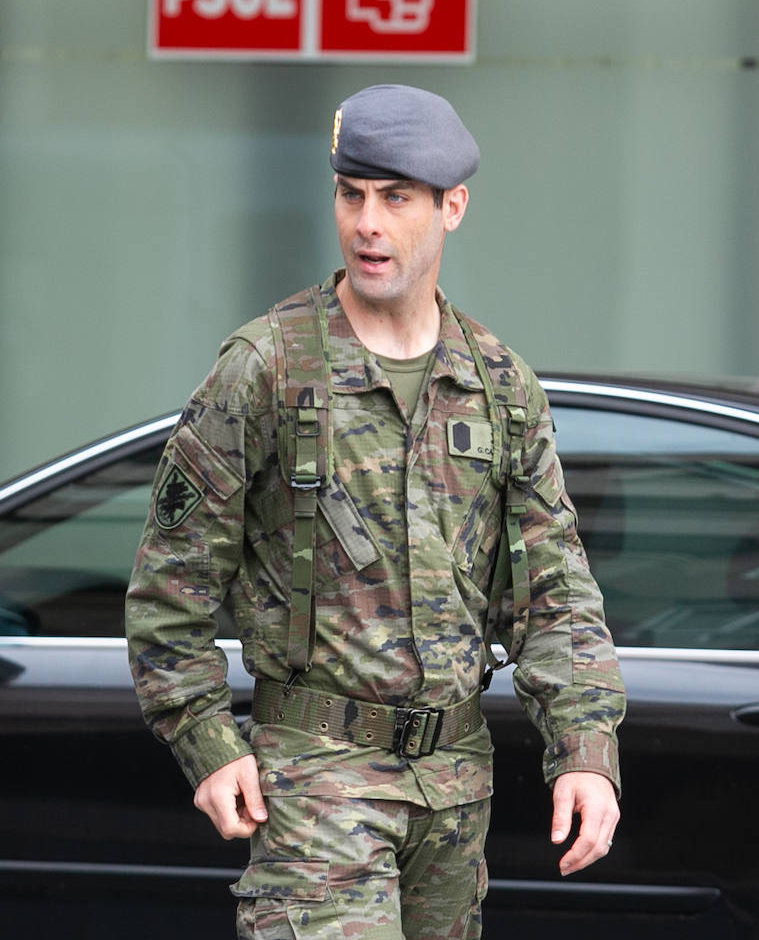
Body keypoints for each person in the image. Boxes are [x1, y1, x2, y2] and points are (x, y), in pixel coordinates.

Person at [126, 84, 625, 940]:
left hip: (454, 792)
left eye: (396, 199)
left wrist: (585, 753)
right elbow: (170, 588)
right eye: (351, 194)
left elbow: (555, 593)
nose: (367, 223)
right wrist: (205, 739)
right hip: (316, 781)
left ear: (451, 207)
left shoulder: (500, 385)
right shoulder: (267, 368)